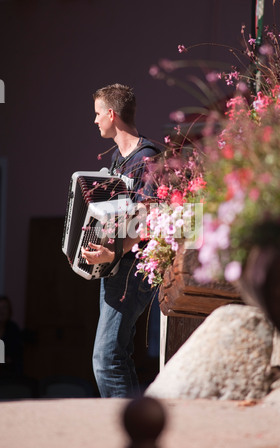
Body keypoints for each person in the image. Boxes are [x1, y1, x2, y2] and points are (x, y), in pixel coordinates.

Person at [81, 84, 159, 398]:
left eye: (98, 114)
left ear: (112, 115)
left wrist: (112, 252)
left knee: (106, 358)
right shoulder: (117, 158)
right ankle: (132, 425)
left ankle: (128, 433)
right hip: (116, 267)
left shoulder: (146, 157)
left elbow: (149, 216)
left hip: (131, 267)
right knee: (115, 356)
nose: (95, 120)